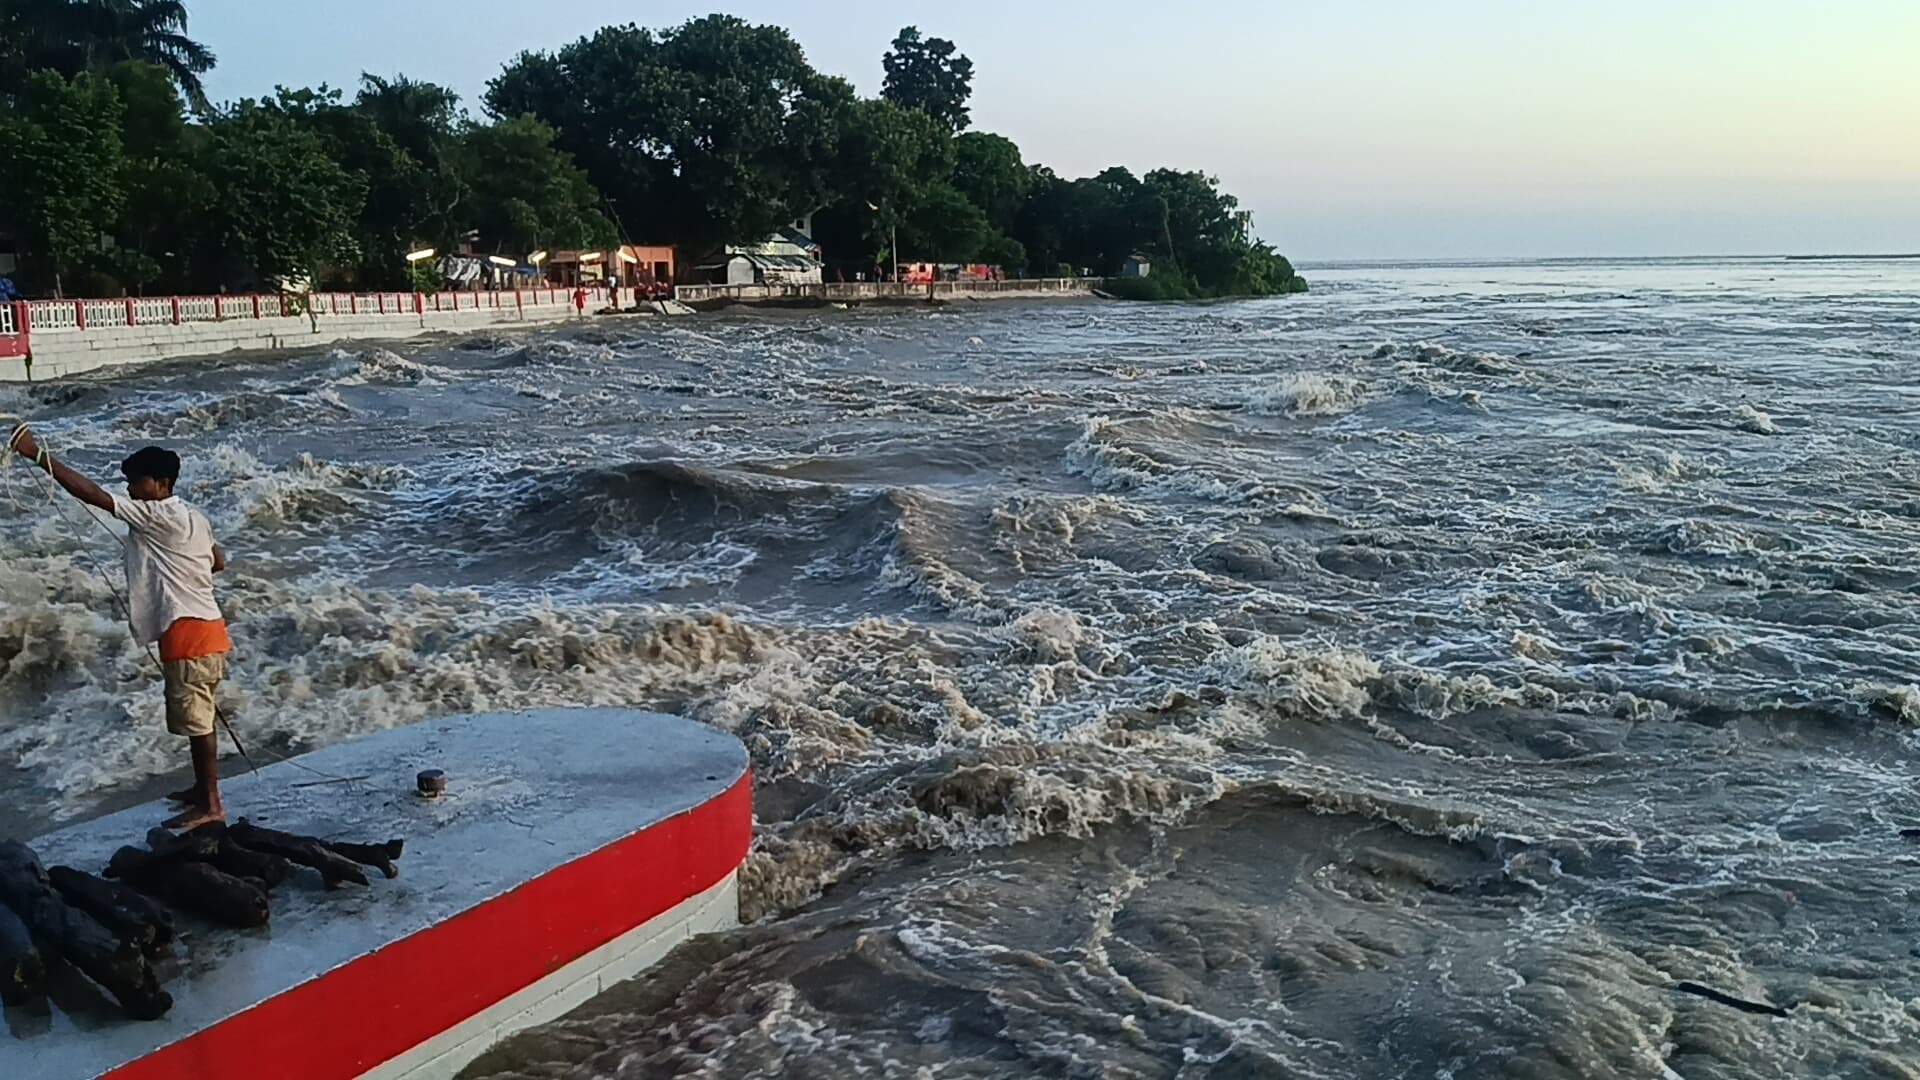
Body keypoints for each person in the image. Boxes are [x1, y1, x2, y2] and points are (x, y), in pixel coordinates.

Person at [6, 426, 231, 829]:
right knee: (201, 715)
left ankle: (211, 804)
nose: (130, 490)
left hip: (189, 635)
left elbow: (93, 495)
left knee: (198, 723)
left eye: (136, 482)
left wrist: (36, 456)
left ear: (161, 484)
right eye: (128, 482)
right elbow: (218, 561)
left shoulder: (156, 513)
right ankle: (201, 790)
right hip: (210, 629)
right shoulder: (191, 515)